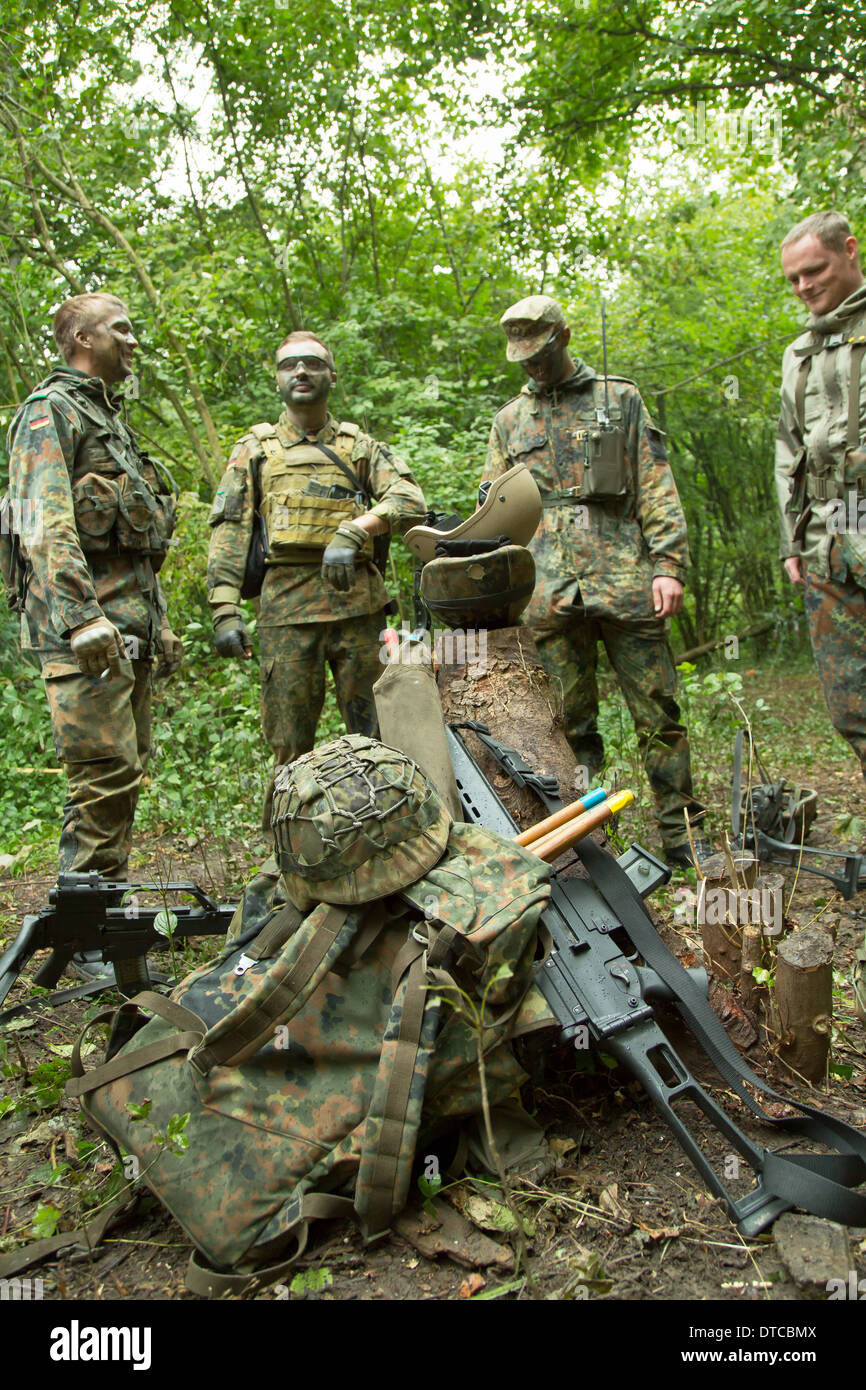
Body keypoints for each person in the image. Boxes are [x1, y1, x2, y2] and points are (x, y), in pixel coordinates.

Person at [481, 295, 710, 866]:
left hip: (627, 582)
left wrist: (668, 566)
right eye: (522, 357)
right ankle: (587, 846)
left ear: (563, 335)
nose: (531, 364)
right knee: (568, 727)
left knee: (658, 714)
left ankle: (683, 837)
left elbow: (655, 485)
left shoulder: (619, 398)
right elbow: (493, 508)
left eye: (539, 351)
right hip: (548, 594)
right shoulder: (509, 420)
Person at [4, 293, 182, 917]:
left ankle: (101, 913)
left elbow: (134, 549)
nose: (133, 341)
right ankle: (87, 929)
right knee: (102, 777)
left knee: (120, 777)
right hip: (83, 633)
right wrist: (81, 616)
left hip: (124, 631)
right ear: (81, 336)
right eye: (121, 329)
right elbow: (41, 523)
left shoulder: (109, 422)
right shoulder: (49, 413)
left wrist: (157, 626)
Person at [207, 331, 425, 817]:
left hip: (358, 608)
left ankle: (388, 842)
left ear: (331, 376)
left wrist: (356, 530)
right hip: (285, 614)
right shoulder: (256, 450)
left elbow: (411, 499)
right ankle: (286, 861)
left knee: (377, 739)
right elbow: (230, 528)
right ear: (278, 379)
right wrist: (224, 609)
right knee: (289, 748)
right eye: (289, 365)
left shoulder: (358, 446)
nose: (300, 372)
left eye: (311, 364)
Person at [776, 211, 866, 785]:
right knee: (850, 705)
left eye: (815, 271)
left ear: (851, 251)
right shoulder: (798, 353)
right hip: (824, 540)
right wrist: (790, 540)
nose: (805, 287)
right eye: (793, 279)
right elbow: (788, 450)